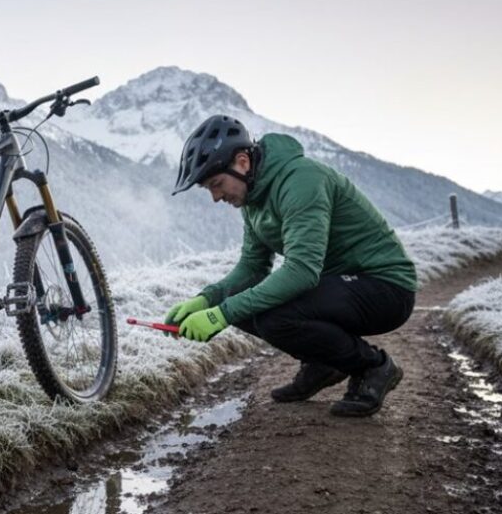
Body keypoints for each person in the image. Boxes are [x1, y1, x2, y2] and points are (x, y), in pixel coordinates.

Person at [166, 115, 418, 417]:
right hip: (341, 285)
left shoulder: (301, 180)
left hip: (385, 288)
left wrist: (223, 312)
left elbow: (301, 270)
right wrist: (208, 299)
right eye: (209, 189)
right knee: (242, 307)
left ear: (243, 162)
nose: (216, 197)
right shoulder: (253, 200)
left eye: (216, 184)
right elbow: (251, 268)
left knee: (272, 317)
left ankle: (373, 367)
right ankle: (323, 363)